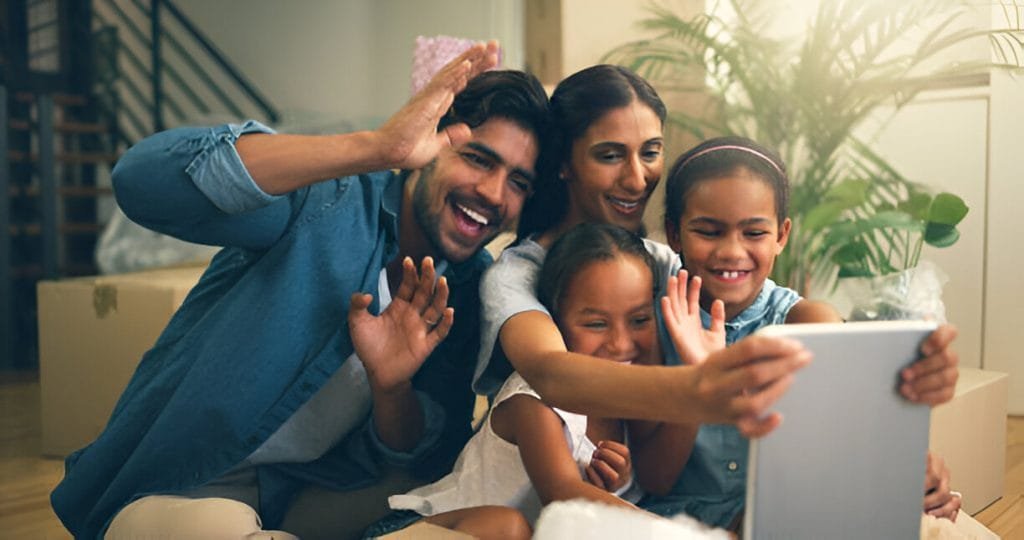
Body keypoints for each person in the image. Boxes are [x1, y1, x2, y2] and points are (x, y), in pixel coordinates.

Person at [50, 42, 554, 539]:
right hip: (185, 487)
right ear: (430, 146)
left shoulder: (465, 286)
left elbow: (418, 456)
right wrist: (377, 147)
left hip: (304, 494)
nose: (494, 193)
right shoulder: (329, 201)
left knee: (482, 509)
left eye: (518, 182)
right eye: (478, 159)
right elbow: (141, 181)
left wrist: (391, 388)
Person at [474, 64, 957, 442]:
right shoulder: (518, 273)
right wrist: (700, 387)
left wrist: (896, 378)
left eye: (650, 151)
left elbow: (771, 310)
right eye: (610, 155)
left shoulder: (663, 261)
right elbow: (552, 374)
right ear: (564, 163)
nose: (637, 179)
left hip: (636, 485)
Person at [643, 135, 963, 529]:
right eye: (708, 231)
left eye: (754, 233)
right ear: (674, 233)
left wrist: (915, 467)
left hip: (785, 518)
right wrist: (698, 380)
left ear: (782, 235)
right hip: (675, 526)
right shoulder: (650, 324)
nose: (731, 251)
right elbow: (656, 480)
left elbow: (853, 436)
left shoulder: (808, 323)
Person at [366, 222, 725, 538]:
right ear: (555, 321)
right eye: (596, 324)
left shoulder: (631, 393)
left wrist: (700, 376)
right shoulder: (533, 396)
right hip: (419, 531)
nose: (621, 343)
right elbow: (562, 496)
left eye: (639, 320)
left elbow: (658, 479)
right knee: (507, 528)